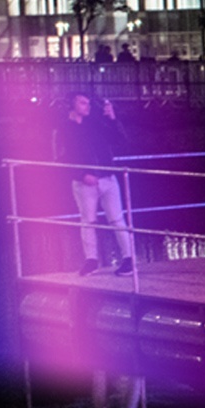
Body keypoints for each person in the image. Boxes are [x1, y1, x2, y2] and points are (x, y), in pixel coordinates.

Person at [54, 91, 136, 276]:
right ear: (72, 105)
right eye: (83, 103)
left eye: (88, 103)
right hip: (85, 182)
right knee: (88, 221)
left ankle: (129, 259)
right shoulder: (63, 129)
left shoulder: (95, 124)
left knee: (116, 219)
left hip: (107, 177)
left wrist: (113, 118)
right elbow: (61, 157)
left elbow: (120, 140)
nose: (87, 106)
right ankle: (91, 261)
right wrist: (82, 175)